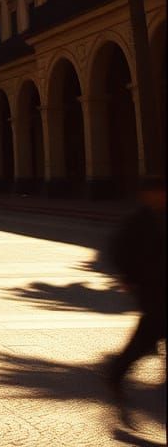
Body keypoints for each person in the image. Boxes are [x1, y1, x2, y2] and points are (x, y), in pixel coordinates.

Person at [105, 178, 166, 424]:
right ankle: (116, 373)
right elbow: (119, 249)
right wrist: (129, 277)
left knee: (151, 332)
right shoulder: (138, 221)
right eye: (158, 192)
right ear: (147, 194)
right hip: (151, 287)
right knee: (147, 335)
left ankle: (117, 373)